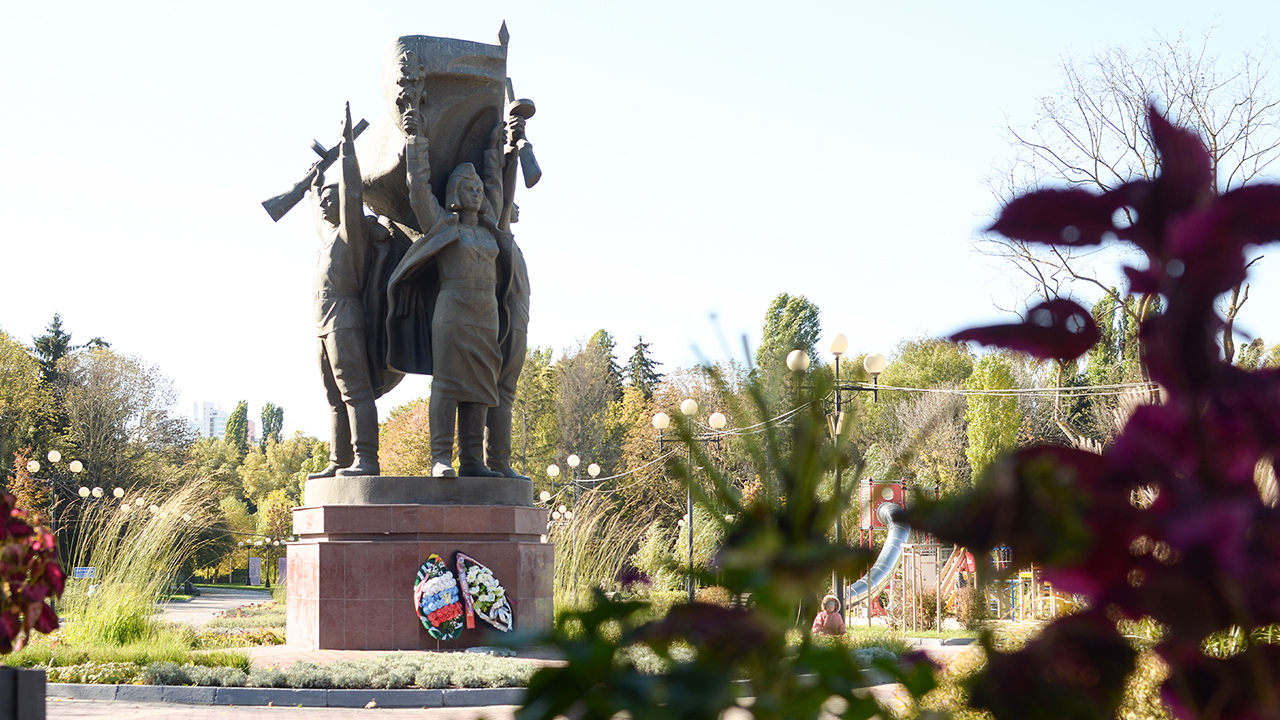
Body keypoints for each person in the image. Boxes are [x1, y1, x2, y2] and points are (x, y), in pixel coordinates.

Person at [387, 119, 516, 478]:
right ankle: (440, 457)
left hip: (486, 314)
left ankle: (473, 460)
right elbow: (418, 189)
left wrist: (494, 147)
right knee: (447, 383)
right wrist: (416, 140)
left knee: (481, 386)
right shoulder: (442, 225)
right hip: (452, 312)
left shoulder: (491, 229)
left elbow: (497, 188)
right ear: (454, 194)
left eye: (478, 187)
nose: (476, 192)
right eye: (468, 187)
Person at [306, 103, 387, 479]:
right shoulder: (328, 238)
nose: (325, 201)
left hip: (345, 315)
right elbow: (315, 207)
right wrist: (312, 186)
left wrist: (346, 148)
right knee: (333, 395)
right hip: (322, 321)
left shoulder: (352, 233)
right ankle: (339, 460)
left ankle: (366, 458)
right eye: (323, 197)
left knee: (354, 388)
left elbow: (352, 193)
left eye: (329, 196)